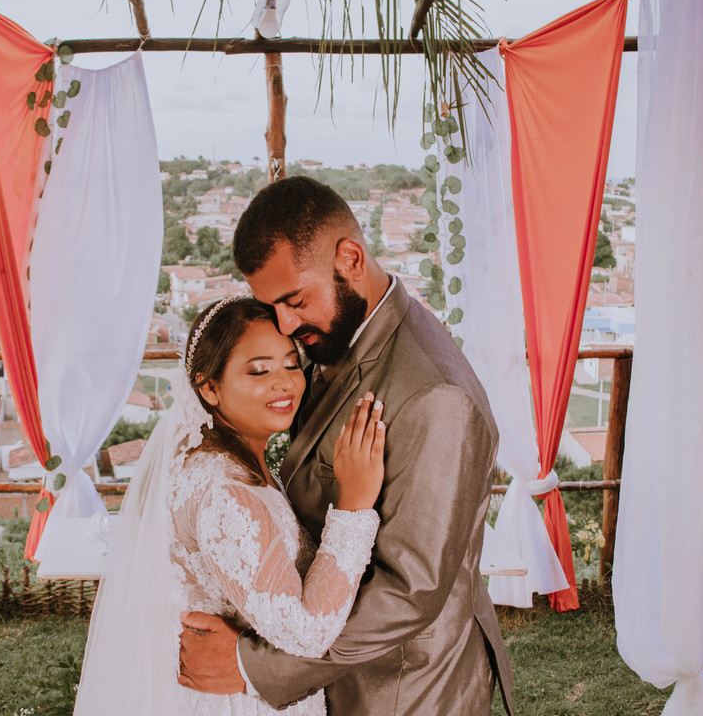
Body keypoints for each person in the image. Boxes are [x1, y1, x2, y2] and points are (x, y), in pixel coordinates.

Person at [178, 176, 514, 715]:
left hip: (403, 690)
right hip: (333, 673)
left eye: (294, 301)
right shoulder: (332, 333)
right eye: (272, 306)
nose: (285, 324)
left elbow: (409, 590)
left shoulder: (435, 398)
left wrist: (250, 665)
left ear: (350, 259)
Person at [73, 296, 386, 715]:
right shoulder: (226, 492)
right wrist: (354, 505)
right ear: (210, 388)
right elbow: (306, 634)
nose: (285, 383)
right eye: (259, 370)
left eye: (291, 364)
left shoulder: (218, 461)